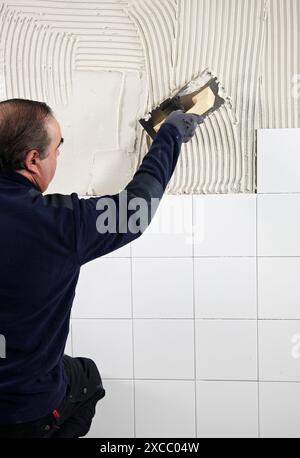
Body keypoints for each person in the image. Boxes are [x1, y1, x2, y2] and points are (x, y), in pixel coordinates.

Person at [0, 99, 203, 438]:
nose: (58, 157)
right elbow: (136, 209)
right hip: (25, 411)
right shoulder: (59, 224)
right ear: (32, 159)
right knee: (89, 381)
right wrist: (169, 136)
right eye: (57, 150)